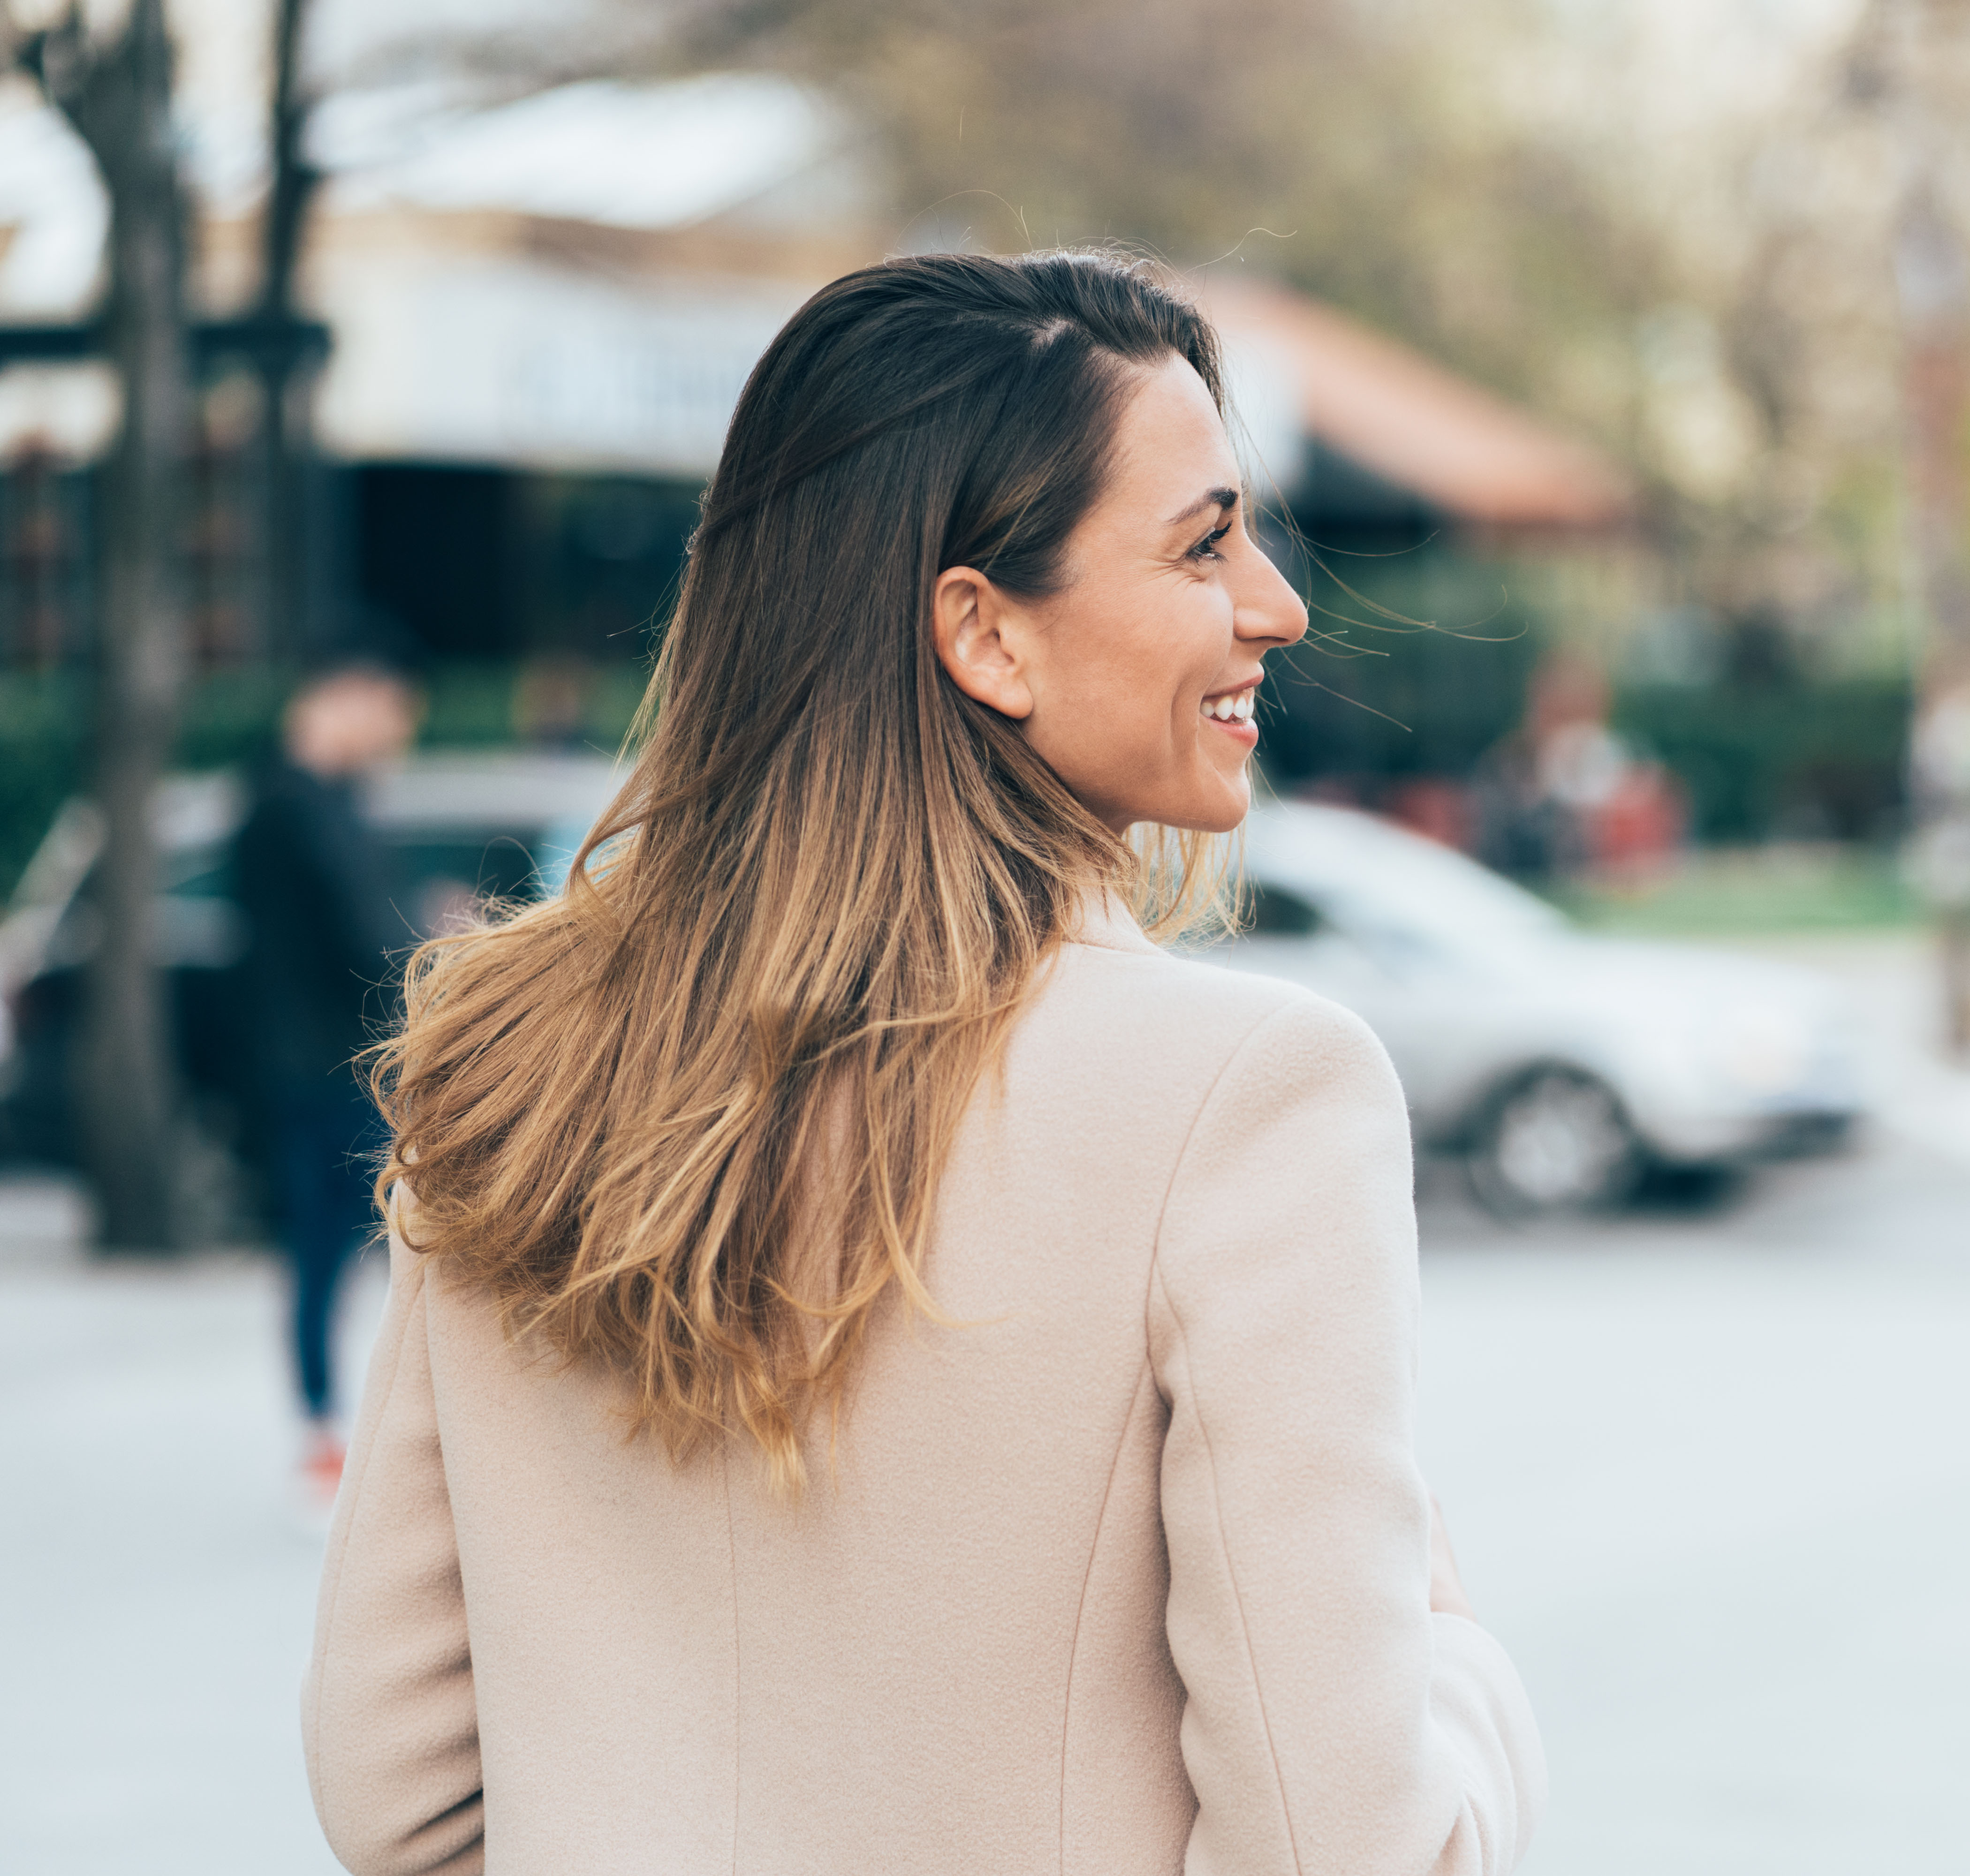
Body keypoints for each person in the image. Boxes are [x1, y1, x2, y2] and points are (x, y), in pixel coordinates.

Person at [304, 253, 1544, 1874]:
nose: (1278, 605)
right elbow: (1340, 1851)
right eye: (1205, 543)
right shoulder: (1247, 1096)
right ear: (985, 635)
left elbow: (393, 1791)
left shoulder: (516, 1059)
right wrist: (1460, 1666)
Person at [231, 655, 421, 1510]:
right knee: (363, 1247)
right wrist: (427, 942)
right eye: (393, 710)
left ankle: (336, 1434)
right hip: (333, 1067)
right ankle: (340, 1439)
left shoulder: (299, 801)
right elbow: (364, 938)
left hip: (318, 1064)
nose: (397, 734)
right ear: (348, 691)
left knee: (340, 1251)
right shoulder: (296, 809)